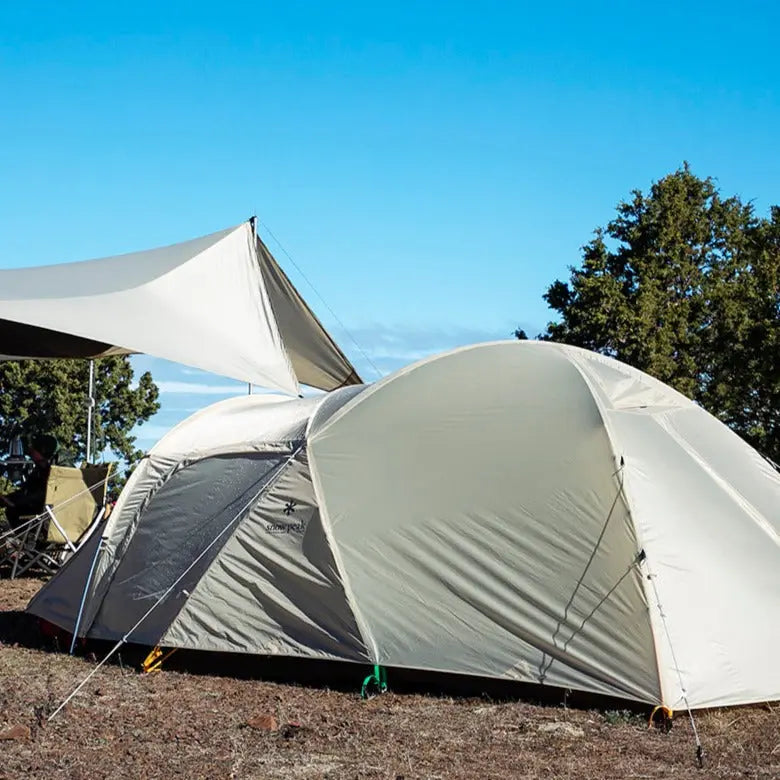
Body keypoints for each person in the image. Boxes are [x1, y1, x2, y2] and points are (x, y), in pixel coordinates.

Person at [0, 434, 59, 529]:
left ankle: (28, 541)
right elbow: (26, 490)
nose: (30, 451)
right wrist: (7, 499)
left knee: (12, 511)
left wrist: (15, 503)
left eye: (33, 448)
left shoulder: (56, 472)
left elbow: (41, 496)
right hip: (48, 516)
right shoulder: (39, 471)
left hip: (47, 517)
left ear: (42, 450)